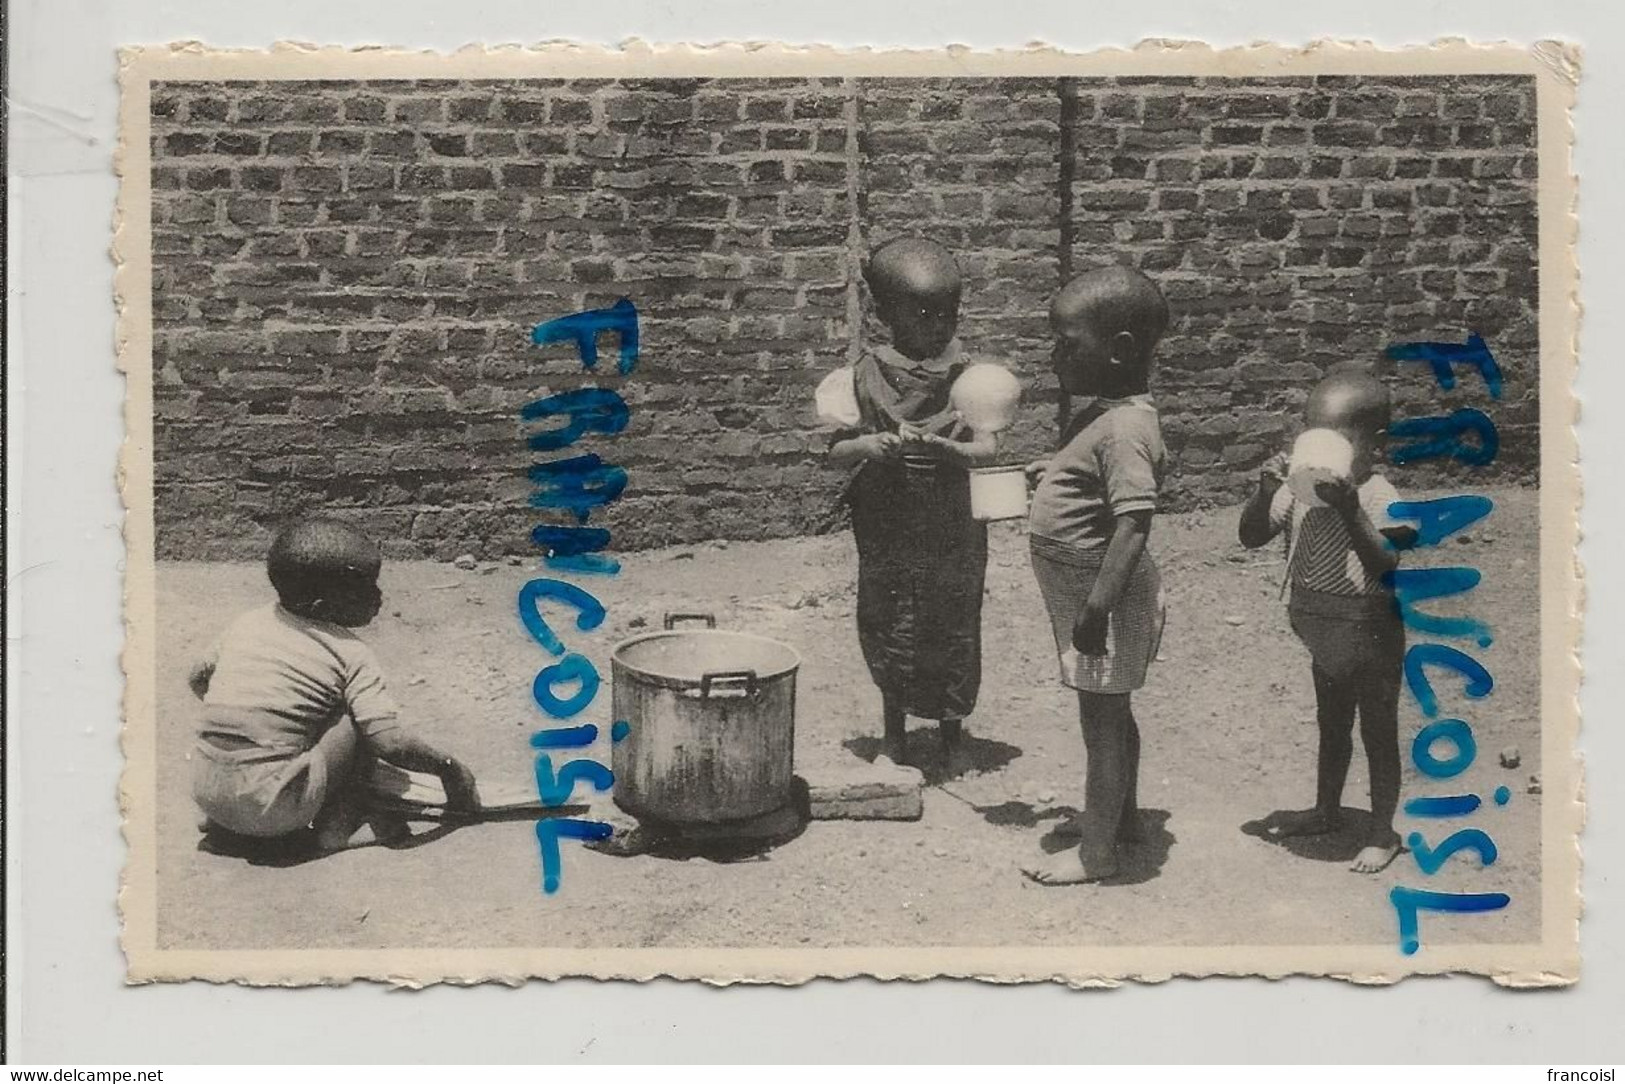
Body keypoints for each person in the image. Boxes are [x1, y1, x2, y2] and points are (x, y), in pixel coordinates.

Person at [187, 518, 479, 853]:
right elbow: (389, 743)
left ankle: (229, 823)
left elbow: (198, 679)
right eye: (366, 589)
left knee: (282, 724)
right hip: (277, 809)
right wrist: (450, 770)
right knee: (353, 717)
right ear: (321, 609)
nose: (379, 596)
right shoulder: (350, 652)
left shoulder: (247, 623)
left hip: (207, 792)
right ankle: (336, 829)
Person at [1021, 266, 1169, 886]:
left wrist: (1096, 611)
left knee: (1102, 725)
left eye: (1068, 344)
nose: (1056, 357)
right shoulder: (1106, 415)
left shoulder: (1126, 429)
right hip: (1086, 592)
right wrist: (1054, 473)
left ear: (1121, 350)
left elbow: (1134, 524)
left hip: (1100, 597)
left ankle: (1098, 854)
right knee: (1112, 713)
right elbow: (1098, 484)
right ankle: (1120, 818)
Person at [1237, 368, 1417, 874]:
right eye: (1312, 432)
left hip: (1370, 630)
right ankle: (1326, 809)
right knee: (1332, 725)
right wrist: (1265, 488)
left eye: (1338, 437)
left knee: (1377, 731)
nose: (1321, 447)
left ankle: (1383, 831)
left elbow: (1386, 560)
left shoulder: (1381, 494)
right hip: (1320, 629)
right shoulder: (1296, 490)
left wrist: (1351, 508)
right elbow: (1252, 536)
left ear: (1373, 445)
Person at [827, 237, 998, 766]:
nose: (938, 326)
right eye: (924, 315)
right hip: (888, 522)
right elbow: (835, 451)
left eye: (948, 314)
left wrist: (951, 449)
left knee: (953, 618)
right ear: (886, 314)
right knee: (891, 616)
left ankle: (951, 733)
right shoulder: (861, 376)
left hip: (952, 522)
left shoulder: (972, 378)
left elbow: (989, 448)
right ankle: (894, 732)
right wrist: (871, 445)